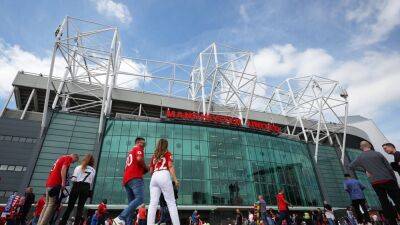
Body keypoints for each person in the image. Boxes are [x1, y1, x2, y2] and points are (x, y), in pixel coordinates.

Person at [348, 141, 400, 225]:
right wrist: (395, 180)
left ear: (361, 148)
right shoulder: (378, 154)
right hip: (387, 179)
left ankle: (392, 222)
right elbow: (389, 168)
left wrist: (366, 170)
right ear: (370, 146)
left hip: (375, 182)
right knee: (397, 199)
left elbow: (350, 166)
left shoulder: (360, 157)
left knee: (384, 202)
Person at [113, 137, 148, 225]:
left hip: (127, 180)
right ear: (138, 142)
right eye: (143, 143)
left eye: (144, 144)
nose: (144, 146)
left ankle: (127, 222)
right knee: (140, 199)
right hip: (135, 178)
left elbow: (132, 166)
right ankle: (120, 218)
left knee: (131, 204)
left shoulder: (130, 152)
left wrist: (142, 170)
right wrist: (146, 167)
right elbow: (140, 159)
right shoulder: (138, 149)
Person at [38, 153, 79, 225]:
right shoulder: (68, 158)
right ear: (74, 157)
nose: (73, 163)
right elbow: (63, 168)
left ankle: (39, 223)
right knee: (51, 205)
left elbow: (58, 170)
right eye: (74, 161)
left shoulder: (60, 158)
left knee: (47, 204)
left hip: (49, 183)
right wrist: (63, 182)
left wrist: (67, 178)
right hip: (55, 184)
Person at [147, 139, 180, 225]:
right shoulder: (167, 153)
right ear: (166, 145)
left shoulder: (154, 155)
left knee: (152, 204)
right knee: (171, 203)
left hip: (154, 176)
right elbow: (170, 166)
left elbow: (150, 171)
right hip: (164, 174)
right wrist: (175, 180)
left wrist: (156, 176)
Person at [59, 154, 96, 225]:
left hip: (77, 185)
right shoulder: (93, 170)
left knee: (70, 207)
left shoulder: (78, 167)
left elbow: (74, 179)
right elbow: (90, 182)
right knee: (80, 207)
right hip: (86, 187)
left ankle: (63, 222)